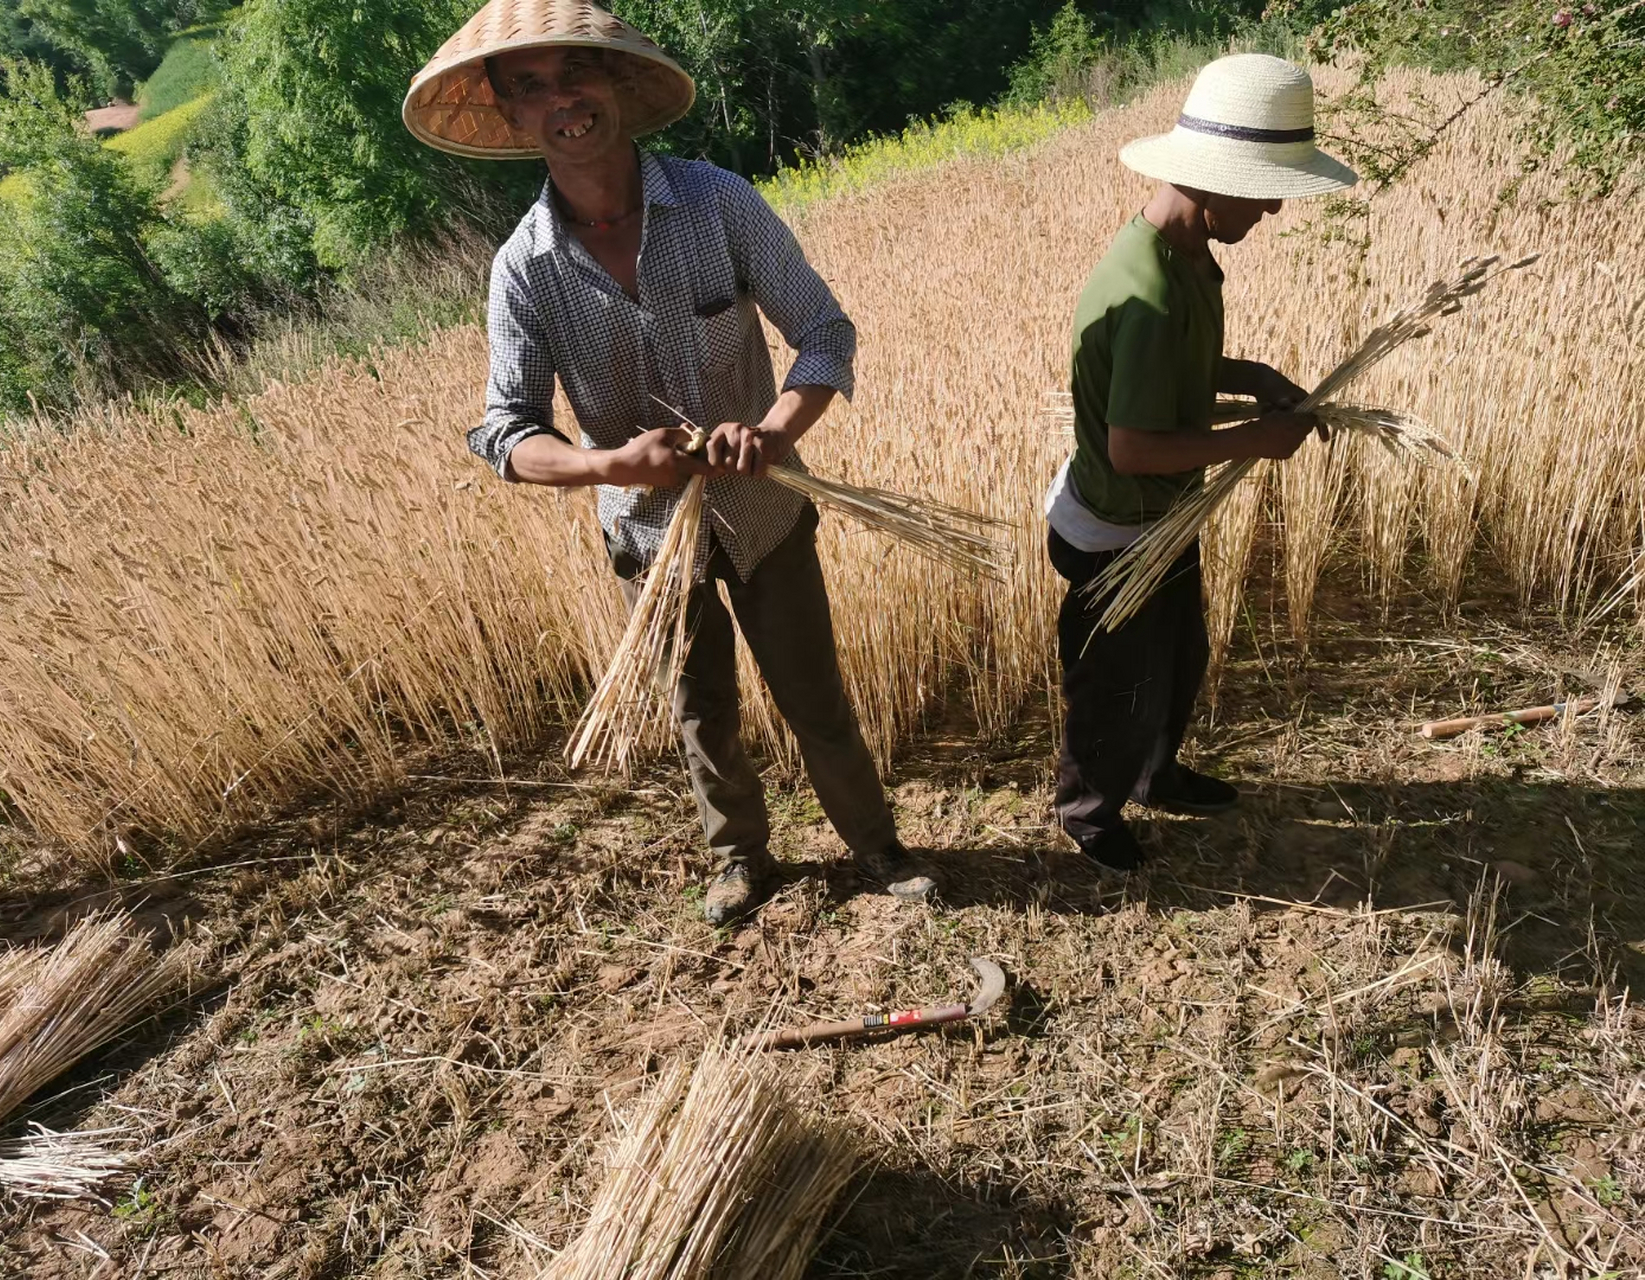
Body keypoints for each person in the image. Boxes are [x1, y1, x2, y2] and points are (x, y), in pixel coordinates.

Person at [402, 0, 934, 924]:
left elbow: (821, 331)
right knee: (700, 711)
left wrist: (775, 432)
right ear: (509, 115)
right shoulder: (523, 267)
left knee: (814, 696)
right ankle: (738, 859)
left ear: (615, 85)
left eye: (577, 75)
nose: (562, 101)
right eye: (530, 89)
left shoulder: (718, 202)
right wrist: (609, 466)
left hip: (766, 509)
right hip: (647, 540)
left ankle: (877, 848)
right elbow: (504, 432)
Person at [1045, 53, 1357, 871]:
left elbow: (1173, 375)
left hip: (1162, 514)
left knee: (1178, 655)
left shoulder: (1185, 257)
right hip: (1117, 527)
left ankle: (1155, 773)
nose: (1275, 207)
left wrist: (1247, 378)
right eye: (1262, 189)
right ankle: (1087, 814)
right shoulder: (1145, 291)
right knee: (1112, 682)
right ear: (1209, 180)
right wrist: (1253, 439)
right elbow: (1132, 445)